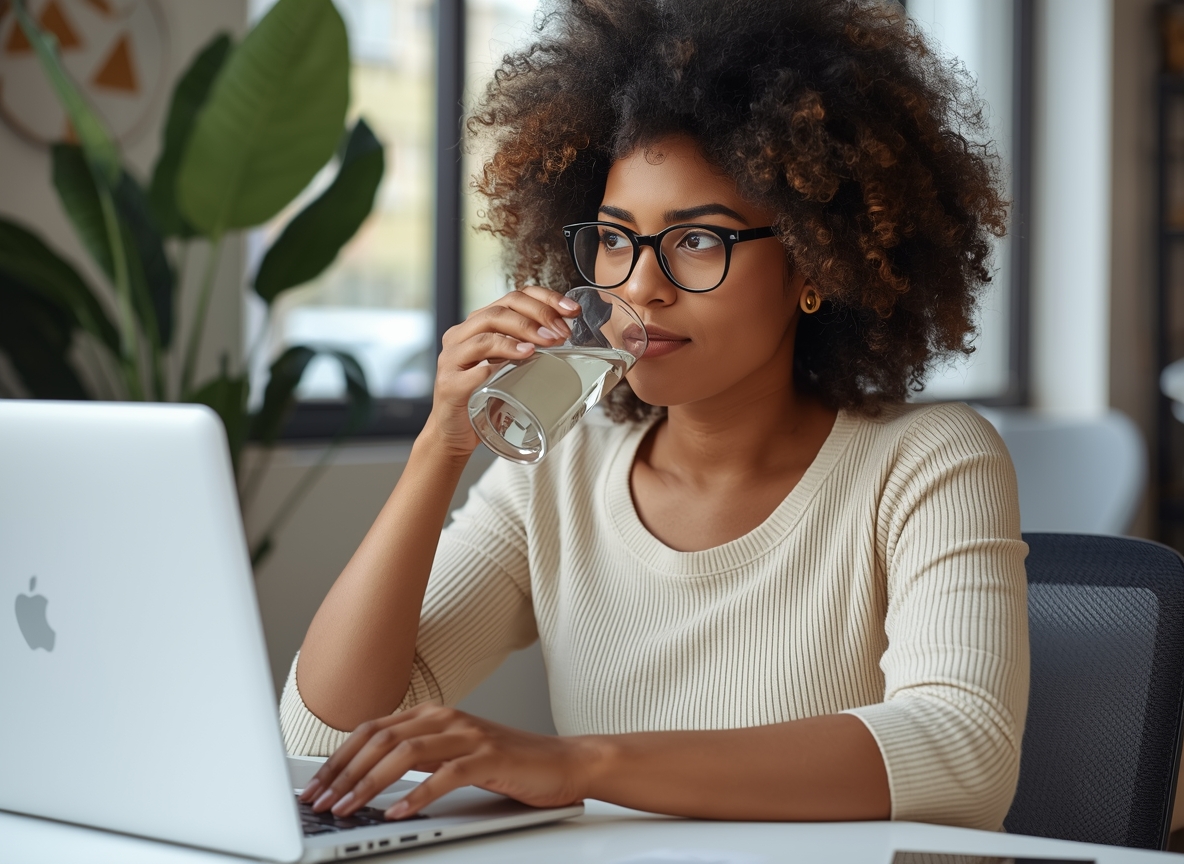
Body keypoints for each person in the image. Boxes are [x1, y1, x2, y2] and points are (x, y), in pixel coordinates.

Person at [281, 0, 1029, 832]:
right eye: (614, 238)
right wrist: (440, 448)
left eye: (699, 241)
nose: (640, 286)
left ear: (814, 261)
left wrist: (581, 765)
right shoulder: (562, 469)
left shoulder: (926, 461)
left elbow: (962, 754)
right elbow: (329, 734)